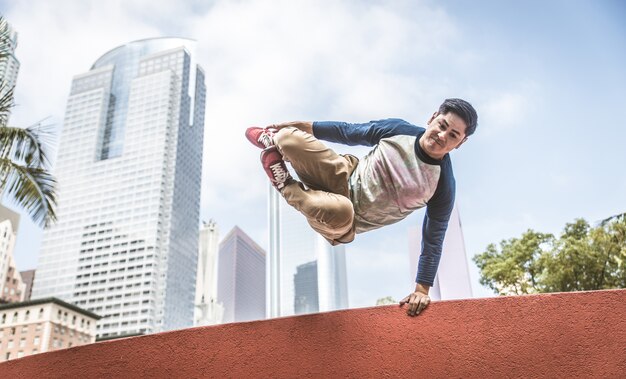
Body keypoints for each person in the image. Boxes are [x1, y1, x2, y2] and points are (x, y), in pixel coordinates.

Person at [245, 98, 478, 317]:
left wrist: (422, 289)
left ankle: (284, 182)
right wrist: (303, 126)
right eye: (442, 125)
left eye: (453, 135)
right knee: (289, 138)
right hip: (341, 174)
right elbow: (350, 131)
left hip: (346, 221)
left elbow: (433, 238)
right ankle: (271, 140)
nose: (441, 135)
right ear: (433, 117)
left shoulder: (442, 185)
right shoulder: (399, 130)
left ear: (461, 143)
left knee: (342, 210)